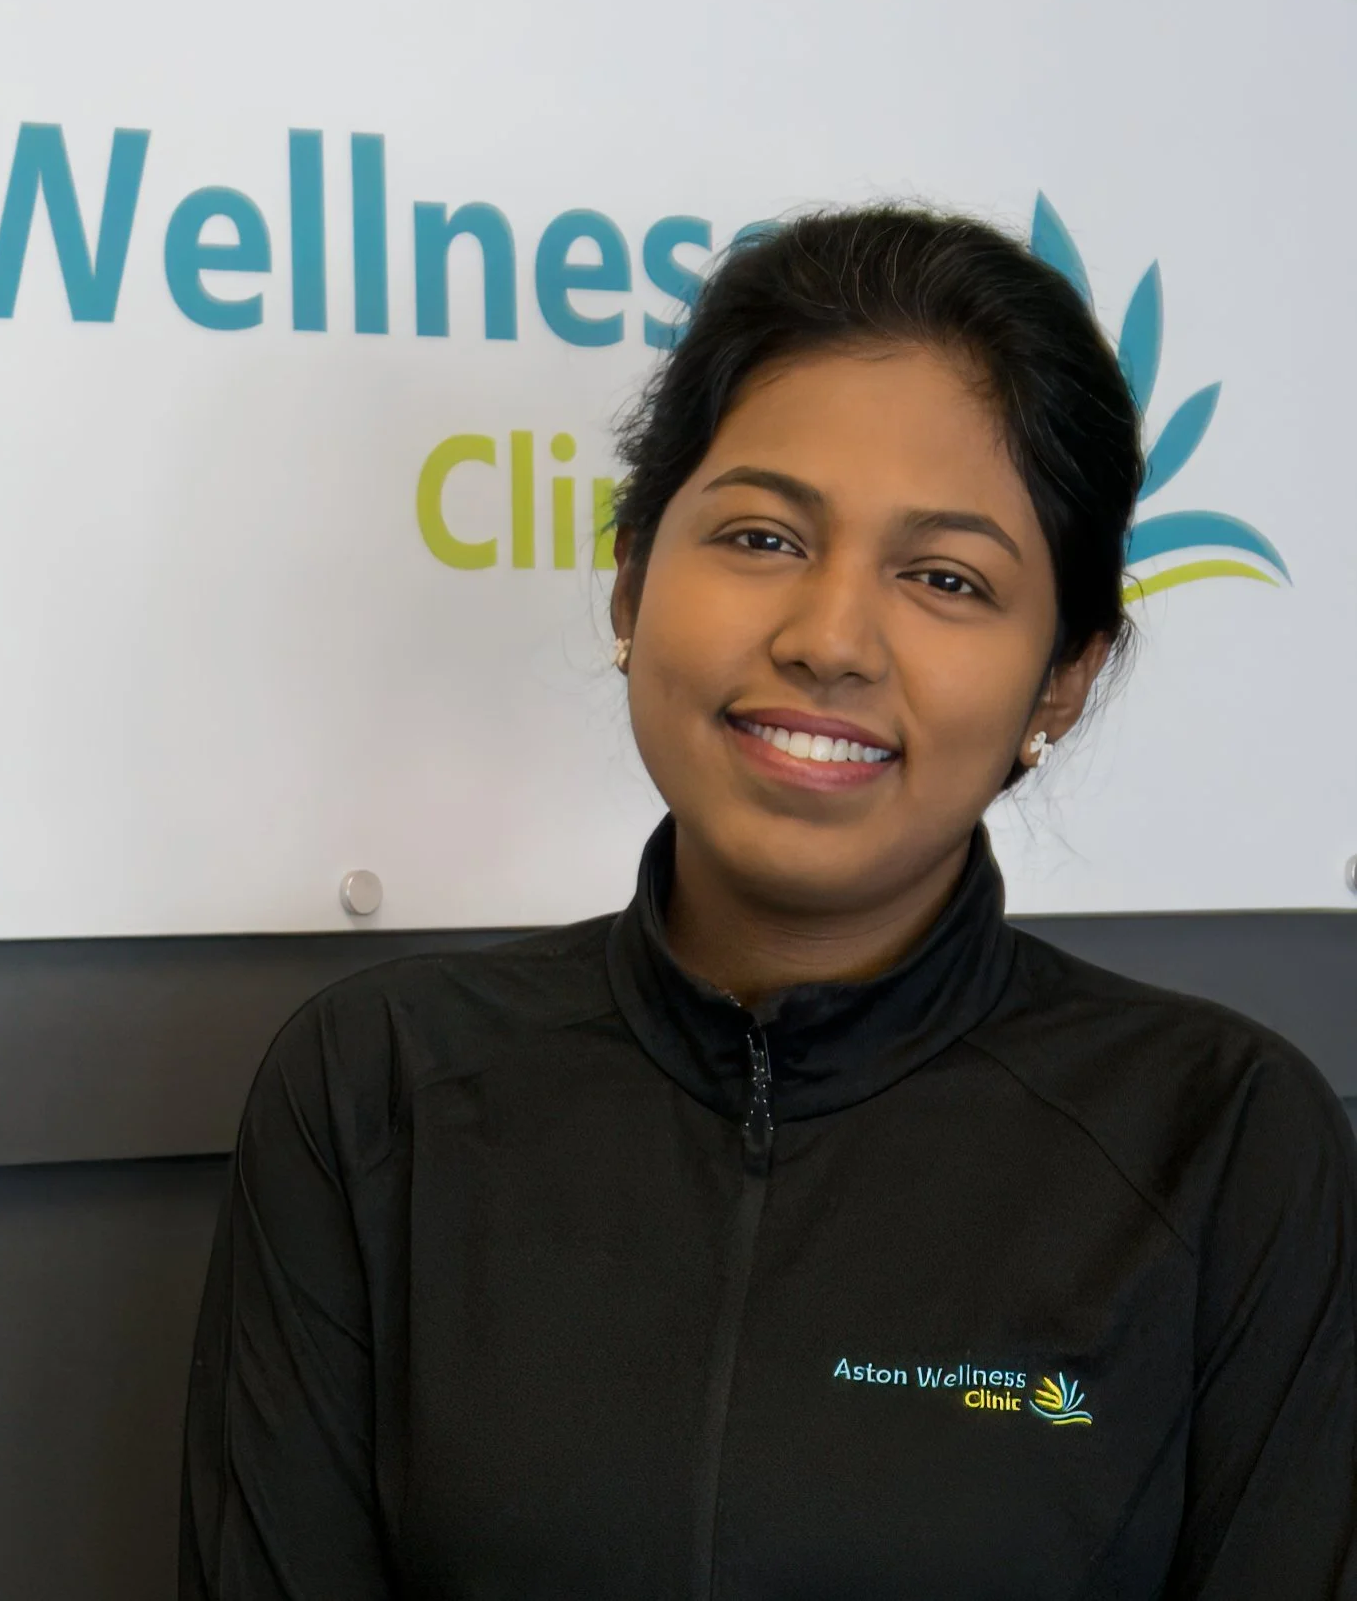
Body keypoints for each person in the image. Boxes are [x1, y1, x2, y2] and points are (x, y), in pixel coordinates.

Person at [178, 205, 1357, 1599]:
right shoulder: (374, 1091)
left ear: (1060, 678)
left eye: (943, 577)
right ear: (629, 579)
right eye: (757, 536)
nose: (827, 638)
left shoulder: (1220, 1143)